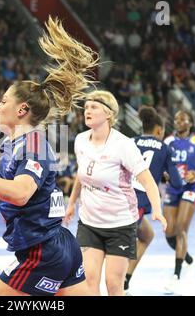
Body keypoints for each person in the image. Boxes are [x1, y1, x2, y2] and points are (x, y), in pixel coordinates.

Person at [0, 17, 98, 296]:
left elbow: (20, 193)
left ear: (22, 110)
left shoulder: (35, 145)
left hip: (42, 253)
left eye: (4, 101)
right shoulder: (17, 142)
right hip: (58, 244)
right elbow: (0, 160)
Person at [64, 90, 167, 296]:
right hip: (89, 223)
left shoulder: (124, 145)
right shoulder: (81, 140)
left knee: (113, 284)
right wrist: (72, 203)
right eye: (86, 107)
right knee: (89, 281)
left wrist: (157, 209)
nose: (87, 111)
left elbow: (148, 181)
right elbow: (82, 175)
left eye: (94, 107)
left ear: (109, 114)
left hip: (120, 224)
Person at [124, 106, 182, 294]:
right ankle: (117, 286)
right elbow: (177, 182)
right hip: (138, 201)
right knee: (123, 245)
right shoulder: (164, 148)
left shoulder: (130, 141)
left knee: (147, 235)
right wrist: (165, 175)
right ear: (159, 130)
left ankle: (125, 281)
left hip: (120, 197)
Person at [163, 110, 195, 294]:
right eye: (176, 118)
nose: (178, 121)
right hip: (173, 188)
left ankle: (176, 276)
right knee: (168, 232)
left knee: (180, 229)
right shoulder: (168, 141)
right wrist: (164, 174)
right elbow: (162, 164)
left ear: (190, 123)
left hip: (192, 188)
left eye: (182, 119)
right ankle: (190, 261)